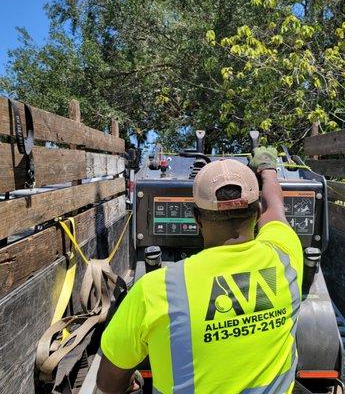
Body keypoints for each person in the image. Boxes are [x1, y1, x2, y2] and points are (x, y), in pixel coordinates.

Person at [97, 147, 303, 394]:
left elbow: (108, 383)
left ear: (196, 218)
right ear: (257, 212)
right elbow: (276, 206)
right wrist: (267, 168)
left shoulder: (155, 290)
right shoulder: (285, 256)